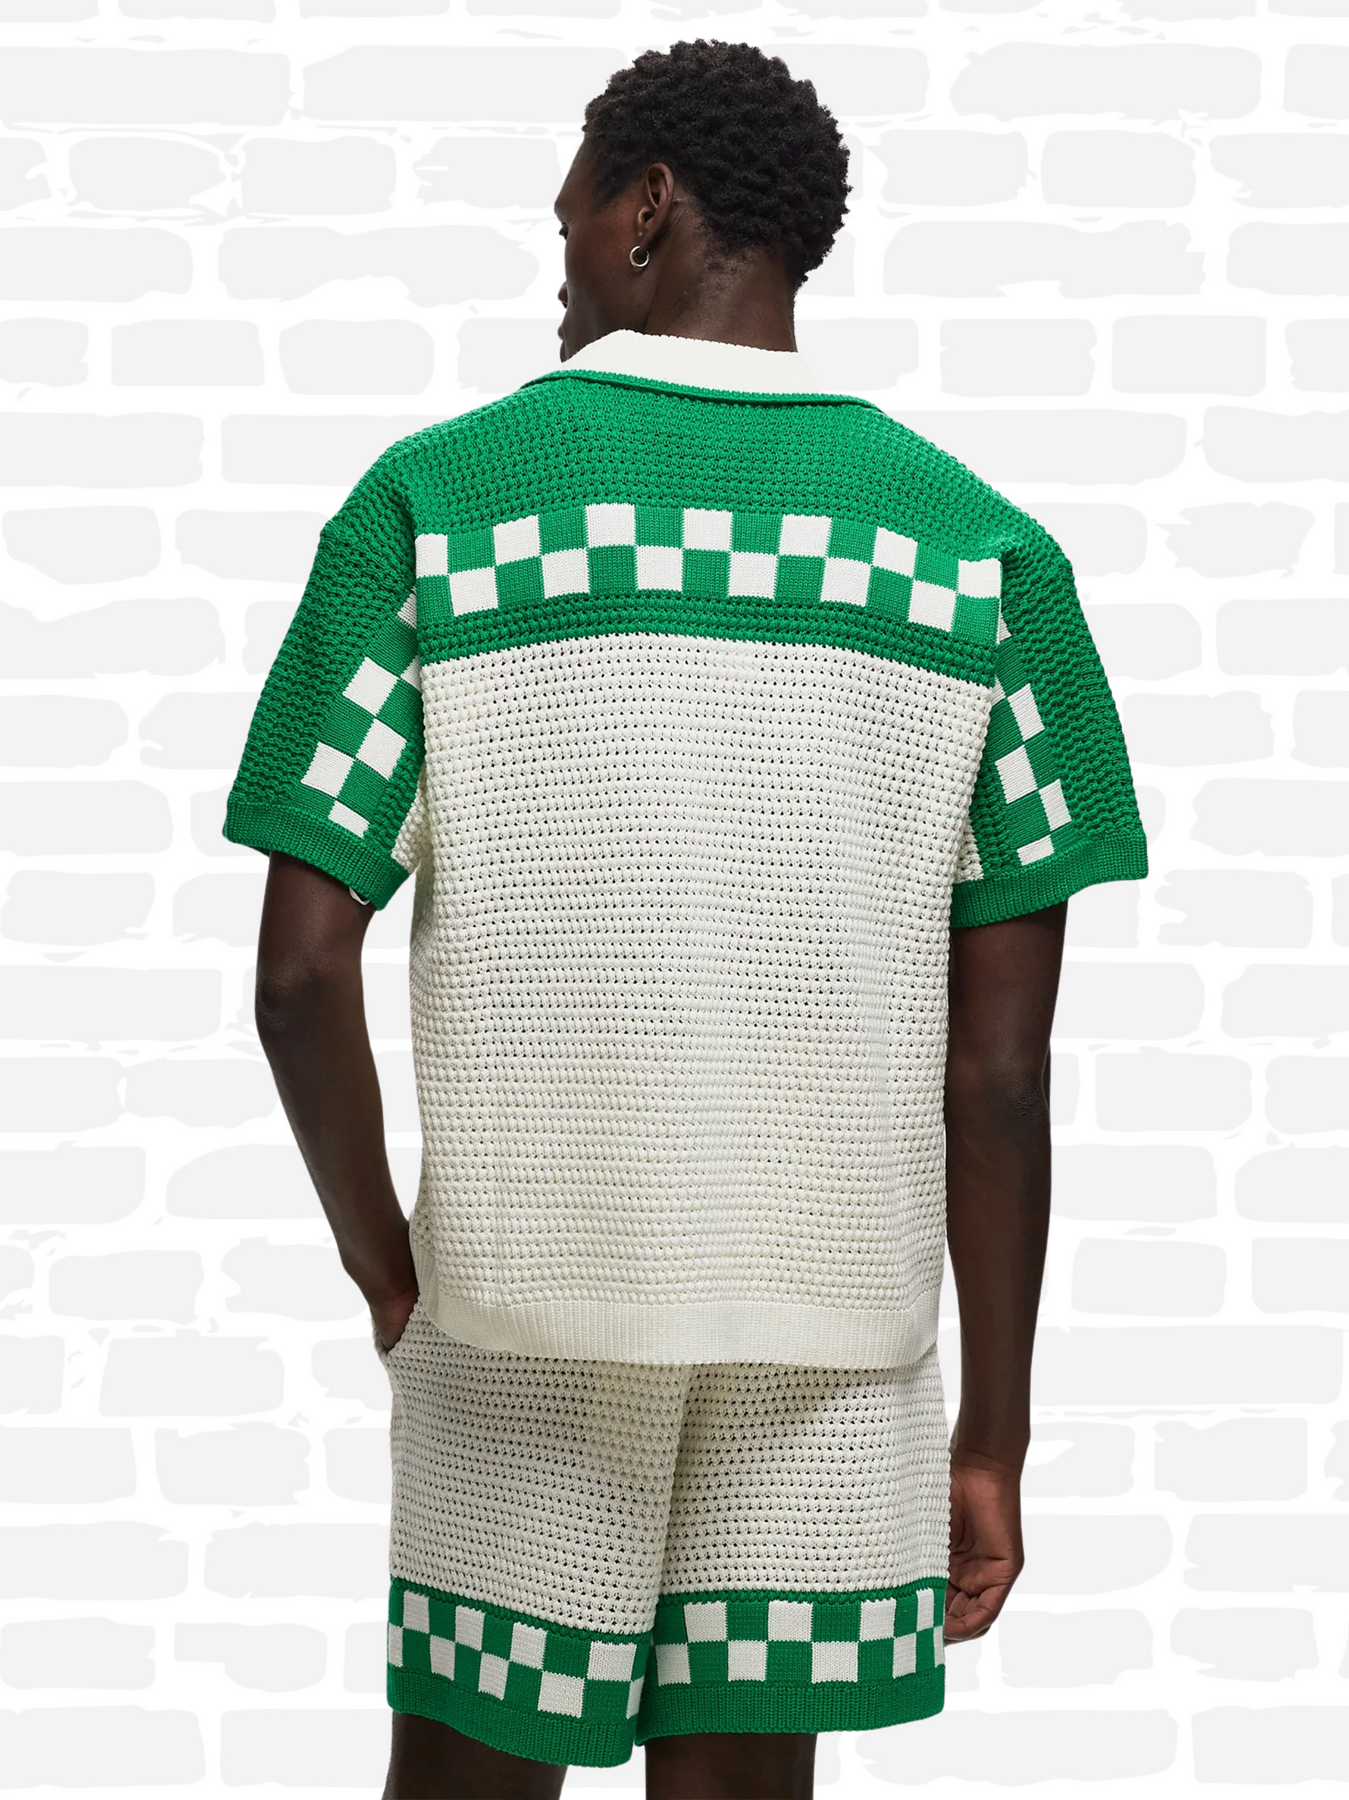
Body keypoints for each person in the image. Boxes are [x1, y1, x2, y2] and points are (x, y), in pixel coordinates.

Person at [223, 38, 1148, 1800]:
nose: (561, 264)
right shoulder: (984, 560)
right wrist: (995, 1436)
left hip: (519, 1316)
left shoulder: (439, 503)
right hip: (833, 1340)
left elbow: (297, 975)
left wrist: (387, 1270)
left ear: (648, 204)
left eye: (570, 216)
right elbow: (1003, 1077)